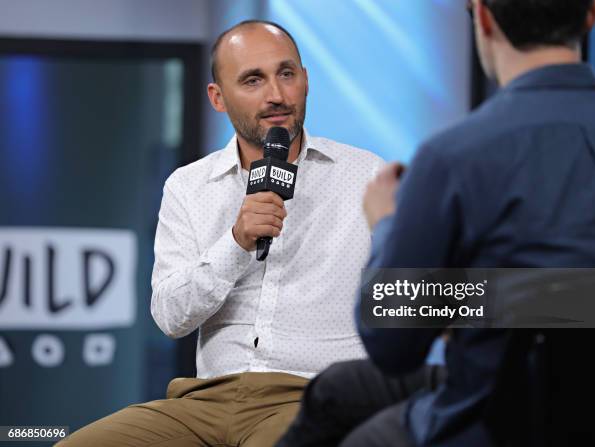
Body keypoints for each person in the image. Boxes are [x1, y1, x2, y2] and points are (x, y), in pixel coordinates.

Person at [277, 0, 595, 446]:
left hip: (492, 413)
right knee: (338, 390)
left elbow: (393, 345)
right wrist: (490, 300)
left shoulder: (455, 157)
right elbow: (585, 297)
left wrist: (387, 224)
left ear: (484, 16)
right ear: (592, 13)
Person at [58, 20, 387, 447]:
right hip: (202, 401)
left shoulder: (367, 175)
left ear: (305, 80)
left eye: (286, 74)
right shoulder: (189, 185)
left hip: (311, 393)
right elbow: (171, 317)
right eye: (253, 80)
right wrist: (236, 242)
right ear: (218, 97)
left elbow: (416, 295)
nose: (276, 95)